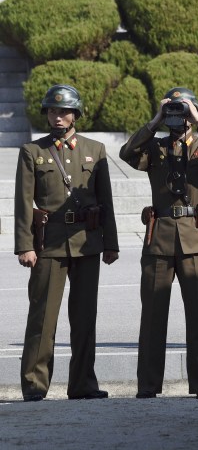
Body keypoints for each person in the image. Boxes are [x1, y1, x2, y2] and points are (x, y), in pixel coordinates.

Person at [119, 87, 198, 400]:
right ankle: (148, 385)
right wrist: (155, 120)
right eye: (173, 111)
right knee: (153, 317)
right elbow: (127, 154)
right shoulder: (155, 148)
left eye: (180, 111)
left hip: (195, 238)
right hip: (159, 239)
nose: (176, 117)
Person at [15, 84, 119, 402]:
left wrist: (110, 243)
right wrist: (25, 246)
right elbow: (23, 203)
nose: (57, 116)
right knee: (43, 318)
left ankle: (83, 385)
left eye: (63, 111)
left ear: (75, 114)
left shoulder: (95, 149)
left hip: (87, 243)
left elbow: (106, 200)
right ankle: (35, 385)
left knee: (85, 318)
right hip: (48, 243)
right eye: (52, 111)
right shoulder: (33, 152)